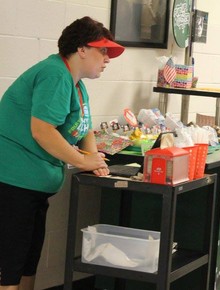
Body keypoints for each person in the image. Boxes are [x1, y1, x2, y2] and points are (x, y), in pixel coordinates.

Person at [0, 16, 124, 290]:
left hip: (34, 187)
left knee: (27, 263)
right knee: (10, 268)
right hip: (13, 183)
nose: (107, 59)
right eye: (102, 51)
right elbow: (41, 130)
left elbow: (85, 128)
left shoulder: (76, 83)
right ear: (81, 49)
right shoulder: (55, 74)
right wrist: (82, 160)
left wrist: (95, 161)